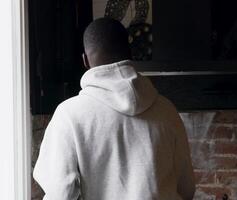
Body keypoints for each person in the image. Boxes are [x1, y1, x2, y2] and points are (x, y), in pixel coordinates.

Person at [33, 17, 196, 200]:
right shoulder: (167, 111)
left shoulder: (69, 115)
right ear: (130, 53)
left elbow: (60, 194)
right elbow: (186, 188)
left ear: (85, 60)